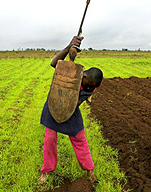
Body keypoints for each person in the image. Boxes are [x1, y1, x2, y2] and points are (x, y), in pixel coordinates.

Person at [39, 36, 103, 184]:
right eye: (88, 83)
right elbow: (54, 63)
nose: (89, 87)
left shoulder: (90, 88)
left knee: (80, 139)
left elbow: (71, 104)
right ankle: (46, 171)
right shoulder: (74, 73)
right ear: (84, 75)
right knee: (49, 140)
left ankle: (90, 170)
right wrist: (70, 46)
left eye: (92, 86)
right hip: (54, 105)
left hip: (70, 110)